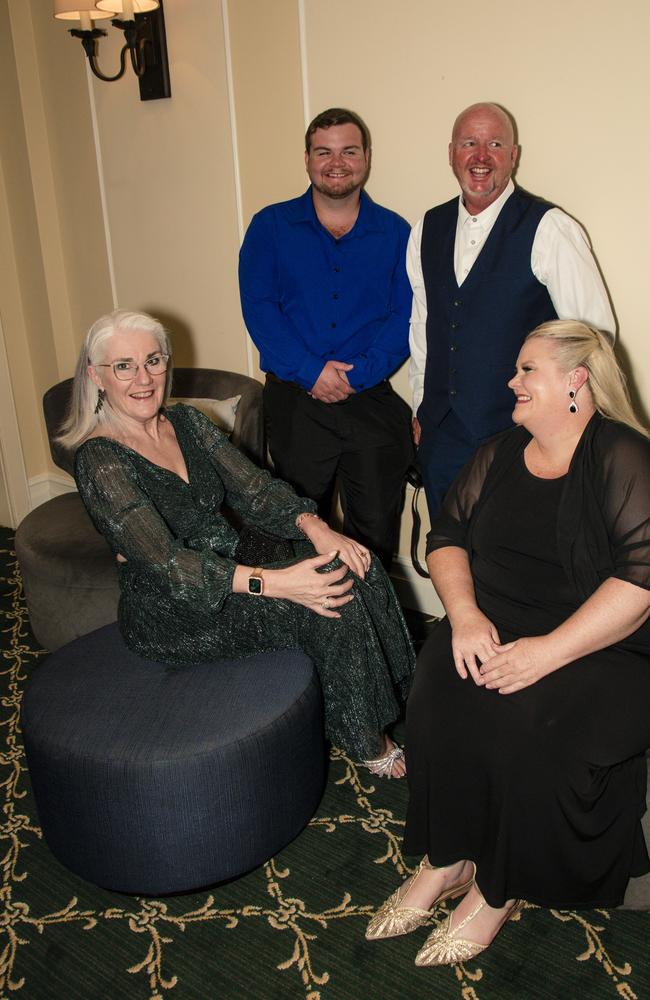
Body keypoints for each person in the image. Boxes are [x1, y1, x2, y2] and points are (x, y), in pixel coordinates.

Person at [366, 320, 650, 964]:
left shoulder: (622, 456)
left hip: (604, 643)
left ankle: (500, 887)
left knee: (528, 713)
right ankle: (447, 860)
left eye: (527, 371)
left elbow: (640, 583)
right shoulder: (496, 454)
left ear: (577, 379)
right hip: (497, 620)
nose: (511, 381)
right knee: (439, 682)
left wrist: (547, 652)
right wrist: (463, 617)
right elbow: (446, 539)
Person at [59, 310, 415, 777]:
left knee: (352, 561)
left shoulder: (186, 422)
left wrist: (316, 525)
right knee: (329, 600)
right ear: (96, 376)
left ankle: (405, 694)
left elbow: (256, 489)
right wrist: (279, 584)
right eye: (123, 366)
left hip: (229, 557)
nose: (143, 378)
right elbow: (168, 564)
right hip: (173, 609)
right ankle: (366, 737)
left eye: (153, 360)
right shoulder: (100, 459)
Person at [408, 101, 616, 520]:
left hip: (520, 431)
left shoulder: (550, 227)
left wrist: (571, 424)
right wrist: (420, 405)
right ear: (452, 154)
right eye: (470, 143)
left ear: (513, 156)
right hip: (442, 434)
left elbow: (594, 336)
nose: (481, 156)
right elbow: (423, 322)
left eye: (495, 144)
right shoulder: (426, 227)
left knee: (511, 563)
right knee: (447, 551)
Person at [239, 108, 413, 569]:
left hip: (370, 400)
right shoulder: (269, 227)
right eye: (324, 152)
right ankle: (301, 634)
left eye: (349, 151)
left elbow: (406, 316)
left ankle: (367, 633)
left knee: (374, 535)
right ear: (307, 159)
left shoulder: (397, 233)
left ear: (366, 158)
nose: (337, 162)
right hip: (296, 403)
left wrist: (358, 376)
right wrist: (311, 370)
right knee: (296, 530)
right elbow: (260, 310)